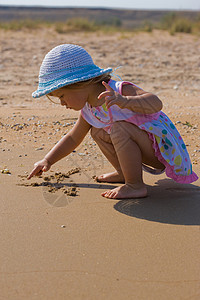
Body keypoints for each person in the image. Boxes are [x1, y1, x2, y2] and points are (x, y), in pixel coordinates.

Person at [28, 44, 198, 199]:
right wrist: (47, 160)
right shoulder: (88, 108)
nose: (62, 103)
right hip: (142, 147)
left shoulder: (119, 90)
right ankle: (124, 173)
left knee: (119, 129)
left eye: (62, 96)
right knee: (98, 131)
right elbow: (73, 138)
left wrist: (125, 101)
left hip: (162, 150)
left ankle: (135, 185)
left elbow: (156, 103)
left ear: (78, 83)